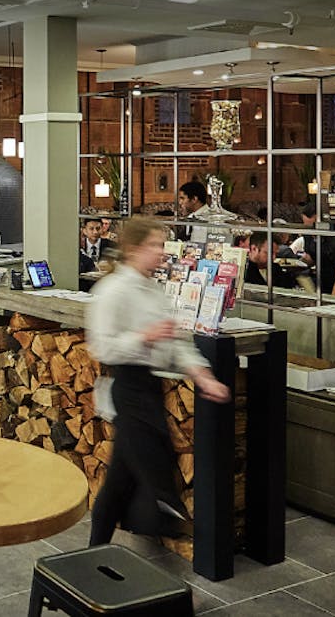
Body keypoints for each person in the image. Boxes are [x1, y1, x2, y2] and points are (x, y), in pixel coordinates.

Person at [86, 216, 230, 546]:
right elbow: (100, 346)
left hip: (150, 387)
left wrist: (203, 376)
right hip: (128, 387)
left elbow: (178, 342)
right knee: (155, 475)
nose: (162, 253)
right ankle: (161, 554)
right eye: (155, 246)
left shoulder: (154, 290)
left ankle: (95, 551)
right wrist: (143, 336)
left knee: (118, 483)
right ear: (134, 249)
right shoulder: (110, 291)